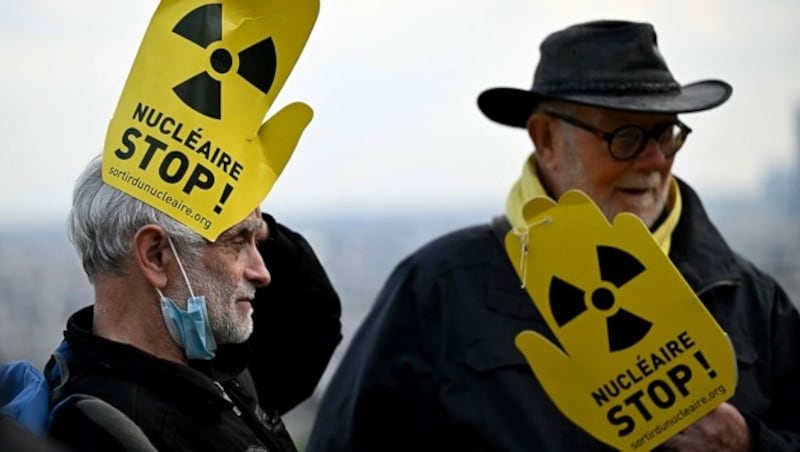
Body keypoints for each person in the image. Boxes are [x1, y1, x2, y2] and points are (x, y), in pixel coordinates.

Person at [306, 20, 800, 451]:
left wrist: (748, 444)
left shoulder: (756, 302)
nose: (654, 160)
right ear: (546, 140)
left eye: (666, 134)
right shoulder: (437, 289)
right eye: (626, 136)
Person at [47, 155, 342, 451]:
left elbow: (312, 324)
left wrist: (255, 223)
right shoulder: (109, 434)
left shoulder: (210, 367)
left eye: (257, 240)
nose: (262, 272)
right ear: (156, 256)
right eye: (238, 242)